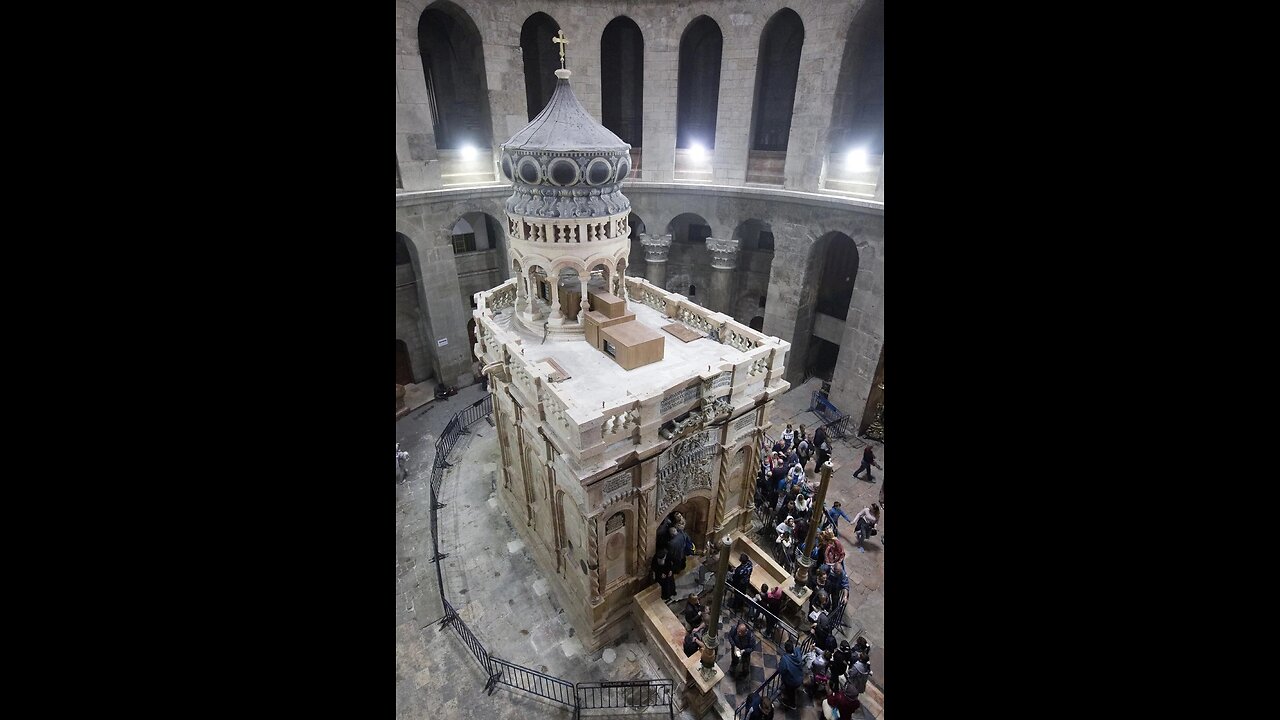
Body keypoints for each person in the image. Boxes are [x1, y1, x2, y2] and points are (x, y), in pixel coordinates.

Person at [777, 641, 805, 709]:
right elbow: (798, 649)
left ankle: (792, 704)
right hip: (800, 677)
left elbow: (781, 671)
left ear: (785, 649)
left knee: (790, 692)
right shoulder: (797, 651)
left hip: (792, 682)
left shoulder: (785, 659)